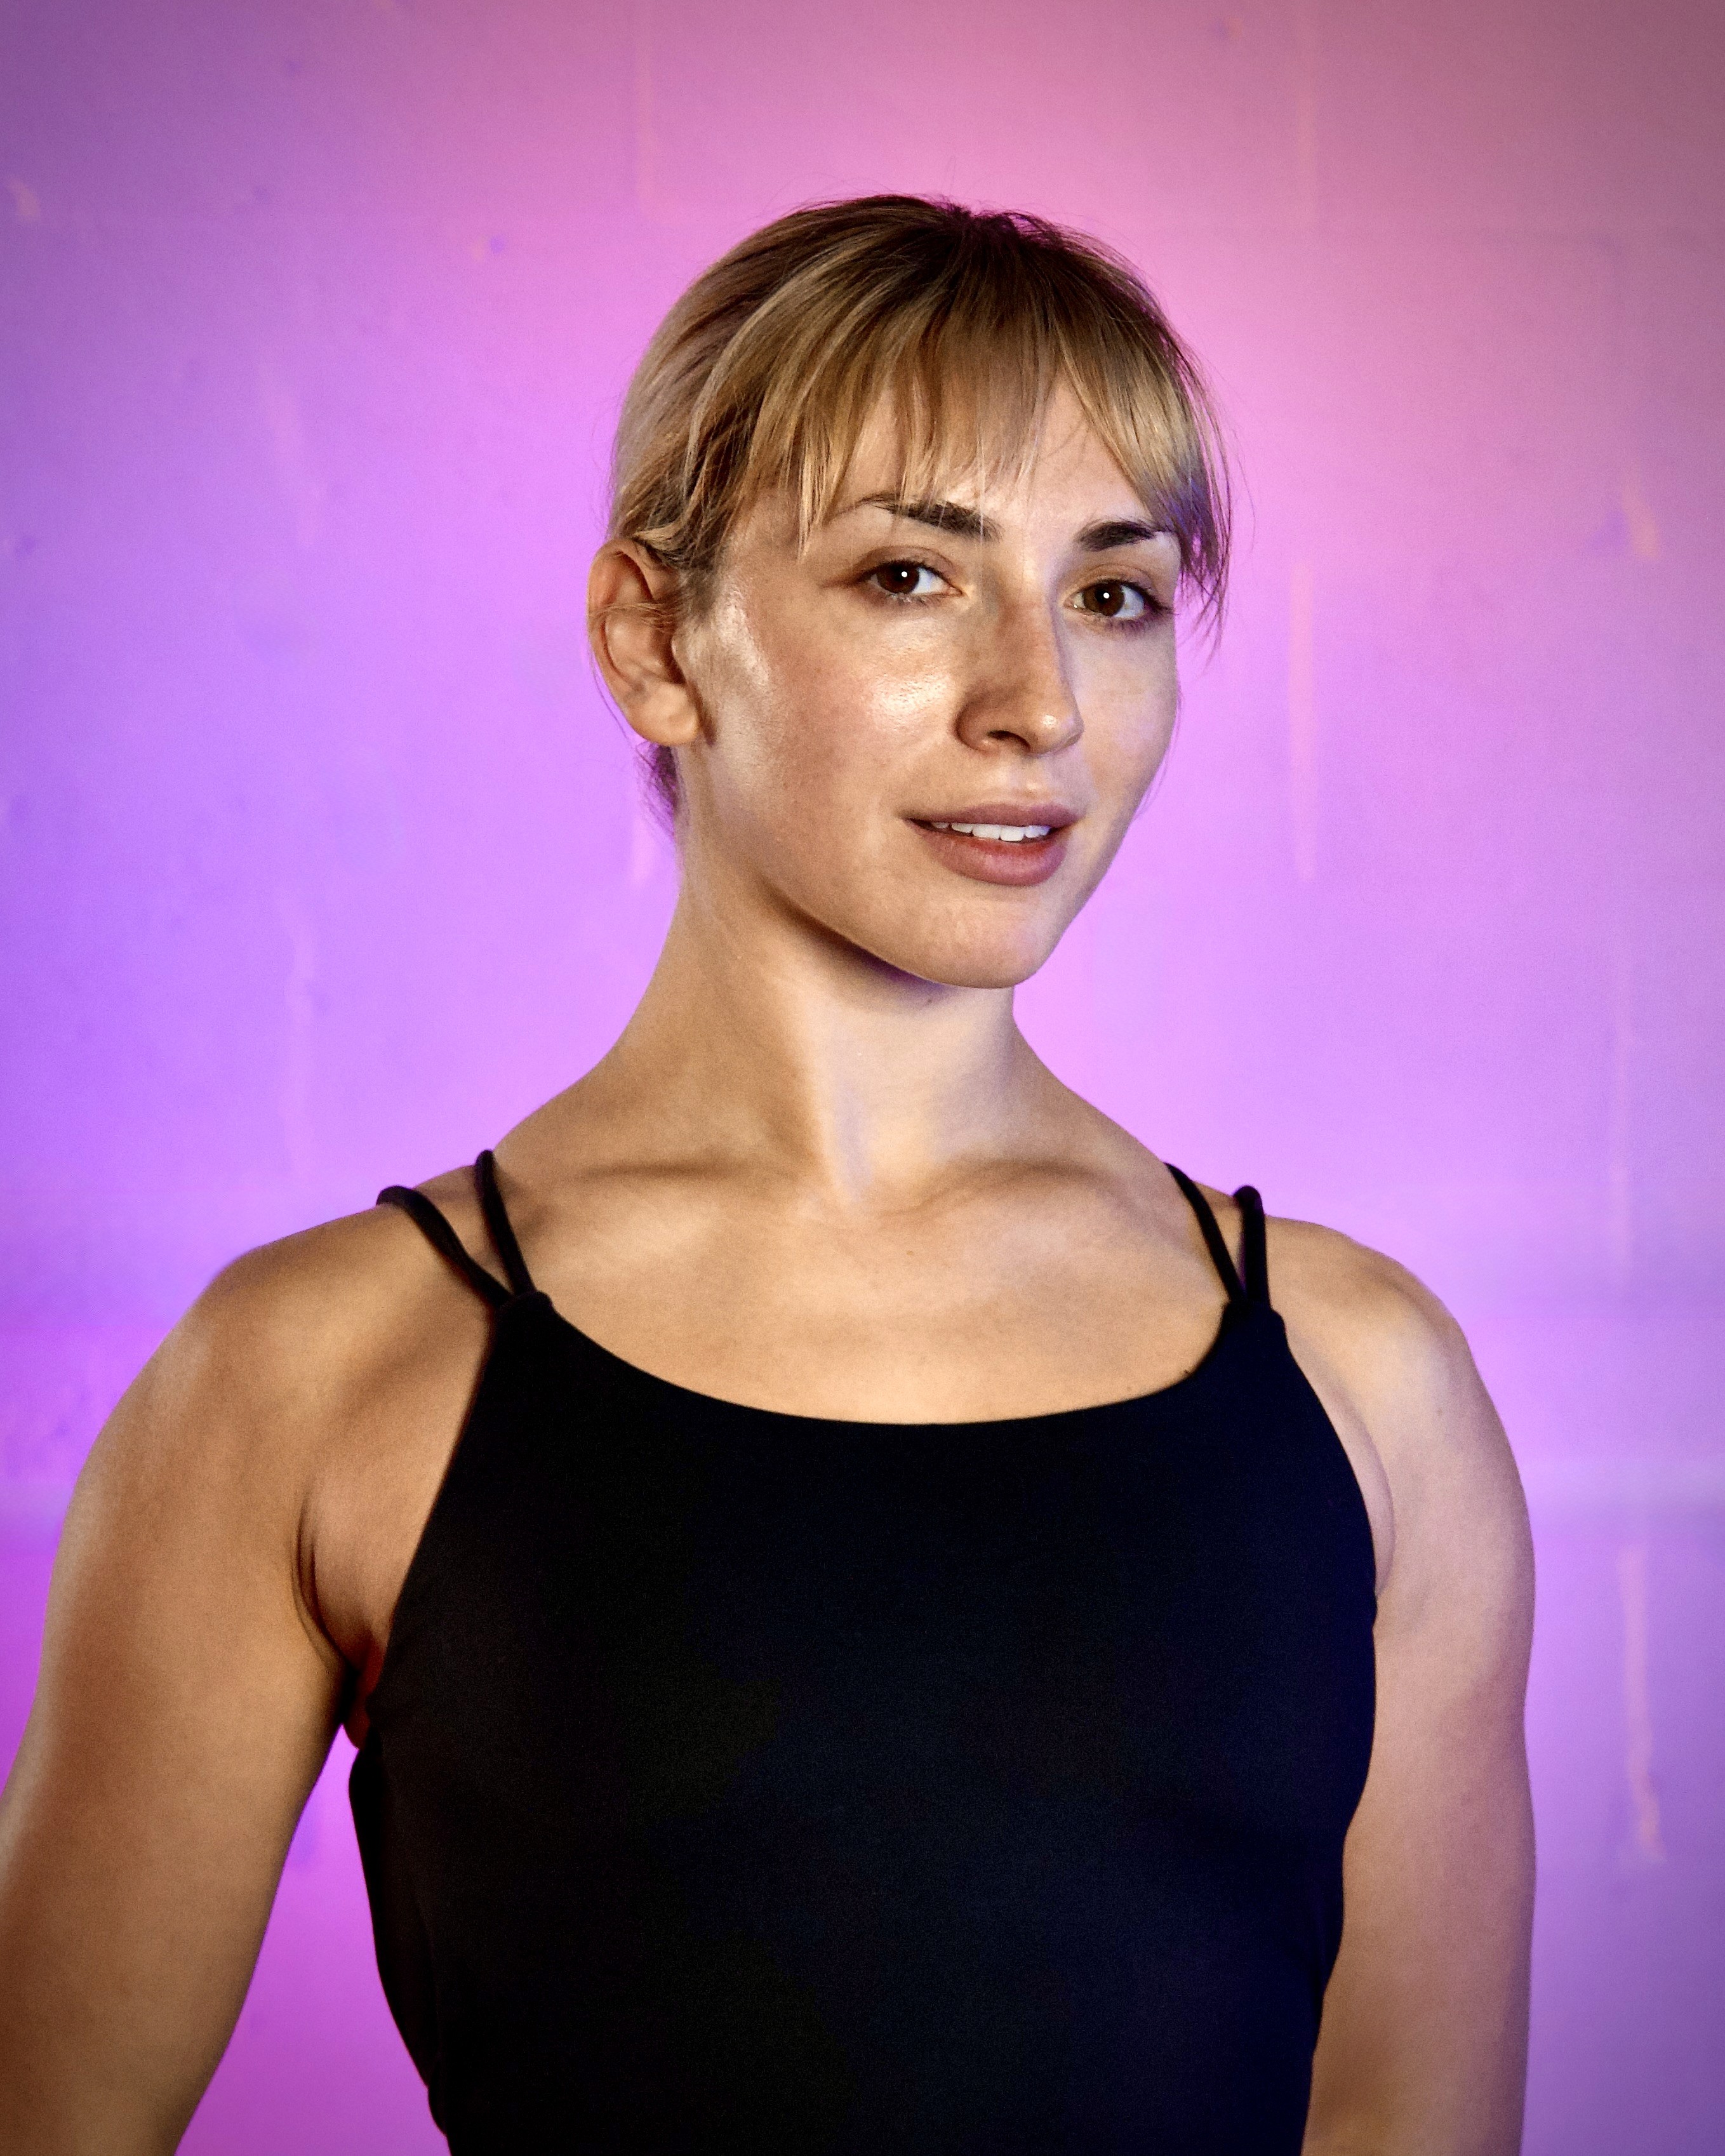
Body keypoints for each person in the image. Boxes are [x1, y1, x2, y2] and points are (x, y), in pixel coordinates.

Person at [0, 197, 1533, 2155]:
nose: (1039, 703)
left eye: (1116, 594)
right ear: (656, 640)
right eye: (911, 574)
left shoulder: (1369, 1386)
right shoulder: (321, 1377)